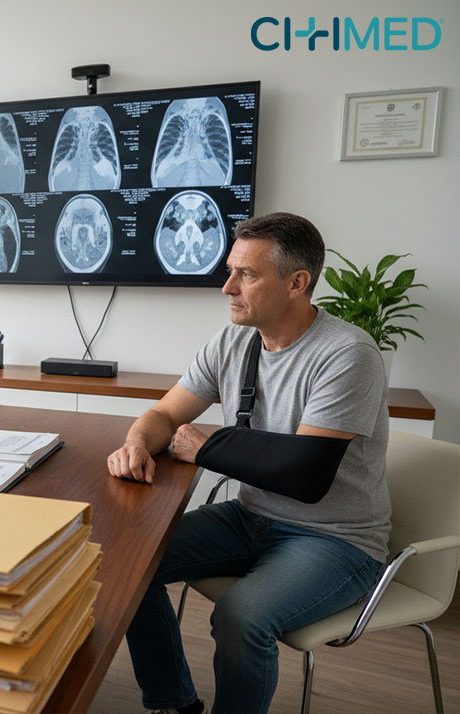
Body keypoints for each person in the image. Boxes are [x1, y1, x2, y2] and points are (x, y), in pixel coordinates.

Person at [106, 212, 389, 714]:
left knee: (241, 615)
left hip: (336, 539)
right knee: (125, 563)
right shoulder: (233, 341)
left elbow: (307, 476)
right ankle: (173, 703)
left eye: (247, 275)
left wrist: (206, 446)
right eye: (231, 270)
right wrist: (135, 442)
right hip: (251, 517)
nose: (227, 287)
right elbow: (166, 413)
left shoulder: (348, 353)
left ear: (297, 283)